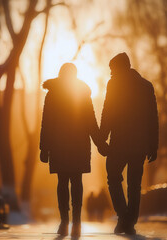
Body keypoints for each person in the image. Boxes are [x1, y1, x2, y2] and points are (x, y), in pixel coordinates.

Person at [39, 63, 108, 237]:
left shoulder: (52, 95)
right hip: (79, 145)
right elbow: (91, 122)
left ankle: (64, 221)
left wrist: (44, 148)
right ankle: (76, 221)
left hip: (59, 145)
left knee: (62, 183)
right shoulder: (82, 94)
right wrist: (100, 143)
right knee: (77, 182)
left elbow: (46, 123)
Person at [101, 52, 159, 235]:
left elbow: (108, 111)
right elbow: (152, 118)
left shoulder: (114, 84)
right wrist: (153, 145)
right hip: (140, 145)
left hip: (119, 141)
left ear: (120, 67)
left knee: (113, 177)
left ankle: (123, 216)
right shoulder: (146, 86)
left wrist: (102, 136)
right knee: (135, 183)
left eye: (112, 70)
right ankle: (130, 220)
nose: (111, 74)